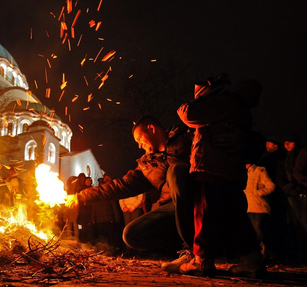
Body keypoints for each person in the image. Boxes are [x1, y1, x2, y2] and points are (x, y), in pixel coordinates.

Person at [65, 116, 195, 272]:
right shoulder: (148, 167)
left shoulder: (187, 139)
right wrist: (81, 196)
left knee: (176, 171)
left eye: (139, 139)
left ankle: (195, 251)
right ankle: (180, 251)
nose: (140, 146)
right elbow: (120, 186)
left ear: (151, 129)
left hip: (200, 200)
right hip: (172, 208)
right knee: (131, 234)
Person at [177, 74, 264, 277]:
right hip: (231, 172)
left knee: (203, 215)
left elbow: (188, 114)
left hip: (210, 168)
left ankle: (201, 260)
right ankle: (252, 260)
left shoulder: (220, 102)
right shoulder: (236, 106)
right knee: (235, 217)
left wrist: (193, 103)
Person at [278, 134, 307, 257]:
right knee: (296, 222)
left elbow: (298, 173)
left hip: (301, 190)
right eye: (285, 143)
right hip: (291, 192)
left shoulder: (301, 154)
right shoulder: (284, 159)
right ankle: (300, 250)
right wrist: (288, 188)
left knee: (303, 220)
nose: (287, 145)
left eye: (290, 142)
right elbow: (281, 175)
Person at [244, 163, 276, 258]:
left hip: (259, 205)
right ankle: (257, 253)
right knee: (253, 230)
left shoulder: (259, 171)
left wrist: (258, 193)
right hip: (248, 206)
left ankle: (265, 252)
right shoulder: (242, 172)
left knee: (259, 229)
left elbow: (271, 186)